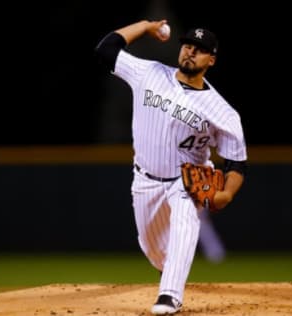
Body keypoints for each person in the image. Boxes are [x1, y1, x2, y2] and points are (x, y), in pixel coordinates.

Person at [94, 19, 247, 315]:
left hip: (186, 179)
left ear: (211, 60)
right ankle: (172, 271)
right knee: (154, 253)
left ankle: (170, 295)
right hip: (144, 181)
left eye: (200, 50)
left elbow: (236, 162)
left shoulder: (222, 111)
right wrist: (145, 26)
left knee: (185, 221)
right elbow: (106, 49)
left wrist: (226, 194)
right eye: (188, 45)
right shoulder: (149, 73)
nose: (191, 52)